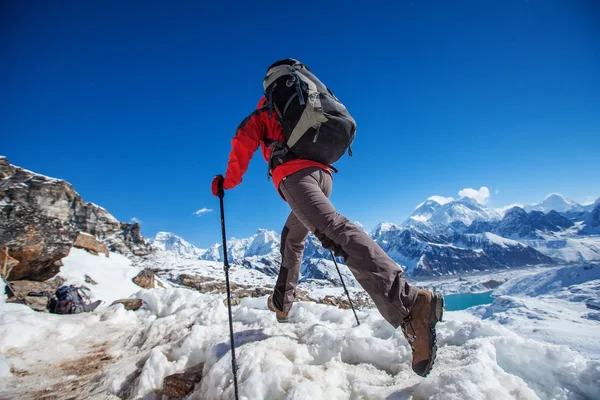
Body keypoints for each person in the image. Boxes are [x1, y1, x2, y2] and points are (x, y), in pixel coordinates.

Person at [212, 59, 443, 377]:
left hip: (295, 177)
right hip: (324, 176)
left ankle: (411, 304)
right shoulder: (310, 104)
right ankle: (283, 302)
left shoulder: (265, 113)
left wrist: (226, 183)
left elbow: (241, 146)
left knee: (332, 230)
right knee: (292, 235)